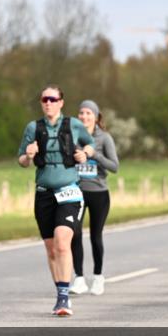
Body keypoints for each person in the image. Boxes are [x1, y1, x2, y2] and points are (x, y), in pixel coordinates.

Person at [18, 85, 95, 316]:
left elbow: (90, 143)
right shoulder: (33, 128)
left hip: (69, 192)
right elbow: (21, 160)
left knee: (63, 242)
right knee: (51, 249)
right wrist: (29, 155)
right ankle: (60, 292)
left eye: (53, 99)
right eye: (44, 99)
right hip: (44, 193)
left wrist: (86, 154)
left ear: (61, 102)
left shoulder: (73, 124)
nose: (48, 103)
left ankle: (64, 298)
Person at [69, 100, 119, 296]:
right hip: (76, 192)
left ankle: (98, 277)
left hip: (99, 193)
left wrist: (95, 155)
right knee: (75, 233)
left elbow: (115, 167)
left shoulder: (105, 138)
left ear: (96, 117)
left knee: (95, 236)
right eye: (81, 113)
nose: (84, 117)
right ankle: (79, 279)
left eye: (89, 113)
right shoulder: (72, 137)